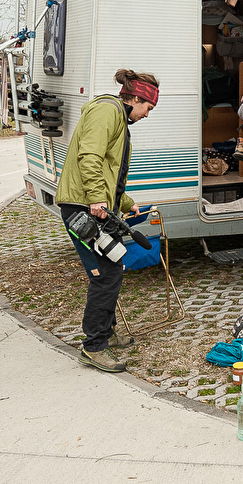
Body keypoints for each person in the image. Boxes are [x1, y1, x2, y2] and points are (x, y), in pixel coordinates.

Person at [56, 69, 159, 373]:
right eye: (149, 108)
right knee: (107, 273)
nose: (147, 115)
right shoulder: (107, 111)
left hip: (90, 204)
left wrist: (125, 203)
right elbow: (90, 157)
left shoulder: (114, 114)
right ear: (137, 98)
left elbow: (109, 172)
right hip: (81, 208)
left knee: (111, 266)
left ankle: (107, 333)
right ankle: (94, 346)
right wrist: (96, 199)